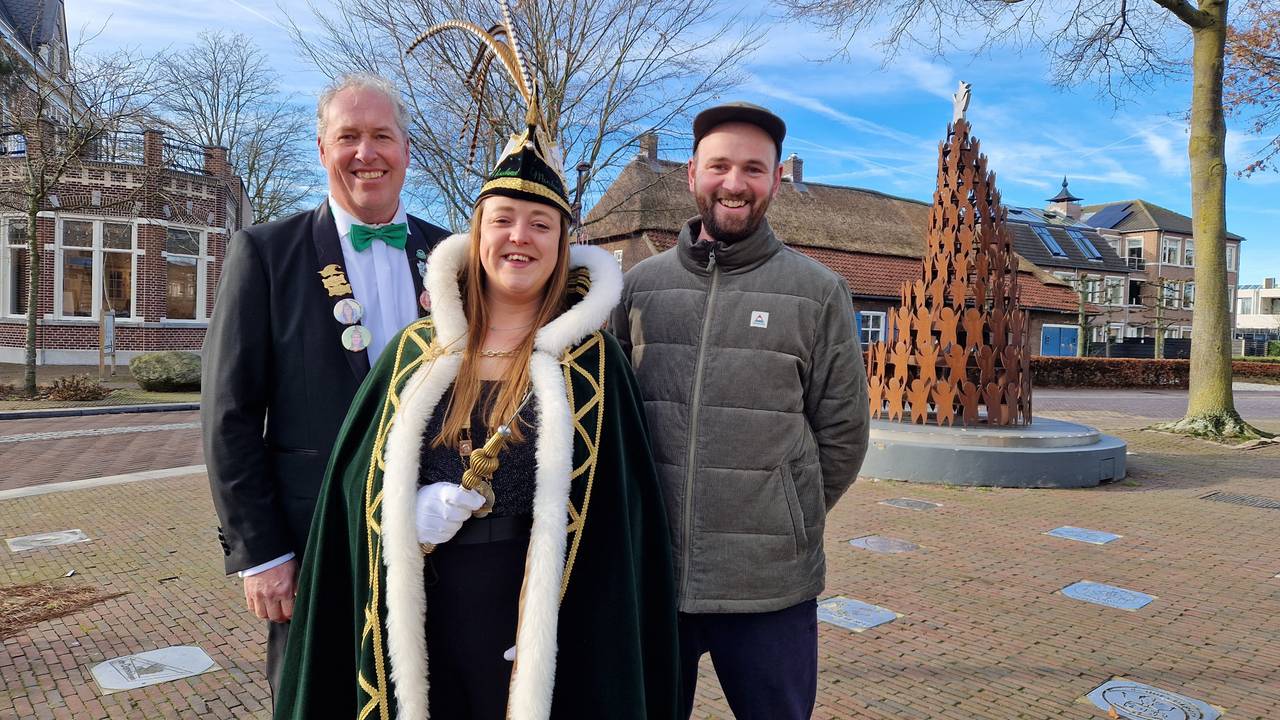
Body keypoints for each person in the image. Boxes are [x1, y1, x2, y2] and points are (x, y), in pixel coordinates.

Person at [271, 56, 679, 720]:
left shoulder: (596, 368)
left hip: (545, 627)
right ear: (477, 233)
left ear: (563, 243)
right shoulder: (416, 353)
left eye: (540, 224)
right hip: (427, 619)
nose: (520, 237)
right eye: (503, 219)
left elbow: (621, 536)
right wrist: (403, 509)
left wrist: (567, 625)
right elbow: (353, 490)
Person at [610, 101, 871, 720]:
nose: (735, 183)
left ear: (776, 180)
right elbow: (613, 422)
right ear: (691, 175)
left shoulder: (818, 292)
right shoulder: (638, 289)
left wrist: (786, 511)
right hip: (653, 578)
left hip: (769, 587)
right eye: (719, 166)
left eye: (753, 169)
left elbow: (843, 432)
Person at [201, 72, 449, 695]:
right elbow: (229, 415)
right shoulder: (265, 253)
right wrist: (261, 553)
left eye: (382, 136)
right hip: (314, 545)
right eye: (348, 137)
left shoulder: (451, 256)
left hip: (437, 544)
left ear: (406, 149)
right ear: (322, 149)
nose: (367, 153)